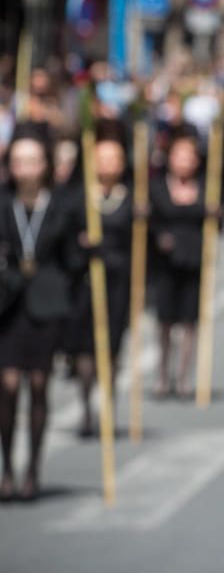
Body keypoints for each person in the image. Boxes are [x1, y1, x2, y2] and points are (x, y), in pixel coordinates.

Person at [0, 125, 79, 501]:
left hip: (48, 304)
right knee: (8, 386)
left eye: (32, 160)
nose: (25, 168)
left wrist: (87, 249)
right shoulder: (2, 201)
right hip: (8, 303)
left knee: (37, 385)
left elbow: (72, 261)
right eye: (18, 161)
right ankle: (8, 468)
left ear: (45, 164)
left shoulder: (62, 203)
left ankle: (33, 467)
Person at [70, 121, 133, 437]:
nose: (108, 165)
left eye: (114, 160)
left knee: (112, 347)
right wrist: (80, 244)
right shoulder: (79, 197)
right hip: (85, 280)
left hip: (118, 281)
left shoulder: (130, 198)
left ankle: (108, 405)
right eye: (102, 159)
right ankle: (85, 406)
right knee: (85, 347)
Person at [149, 125, 206, 400]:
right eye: (179, 155)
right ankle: (163, 373)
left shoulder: (207, 185)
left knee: (189, 321)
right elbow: (151, 223)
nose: (184, 161)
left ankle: (184, 376)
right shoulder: (158, 186)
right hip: (165, 262)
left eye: (189, 156)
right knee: (165, 321)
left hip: (194, 259)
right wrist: (159, 235)